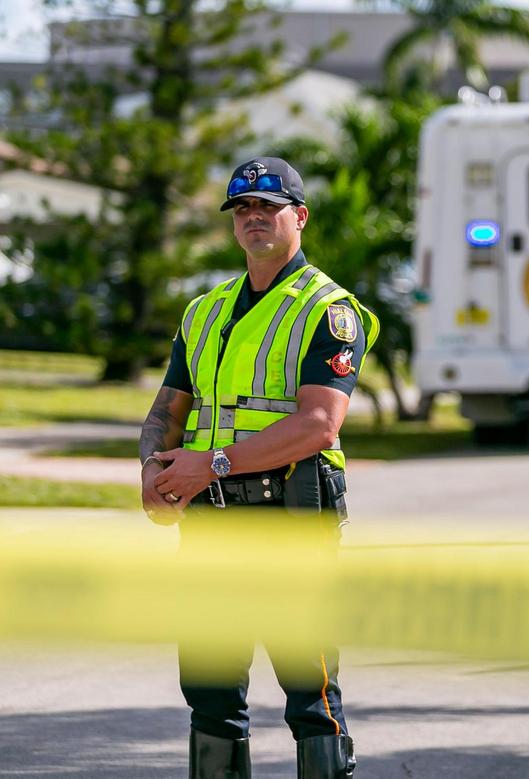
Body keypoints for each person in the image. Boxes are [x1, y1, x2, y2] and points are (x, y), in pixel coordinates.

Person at [138, 157, 378, 779]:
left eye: (268, 208)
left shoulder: (328, 310)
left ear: (299, 217)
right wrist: (152, 472)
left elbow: (320, 426)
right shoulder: (205, 311)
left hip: (291, 518)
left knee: (310, 691)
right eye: (242, 209)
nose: (253, 219)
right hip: (211, 525)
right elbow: (167, 409)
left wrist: (208, 466)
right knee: (211, 693)